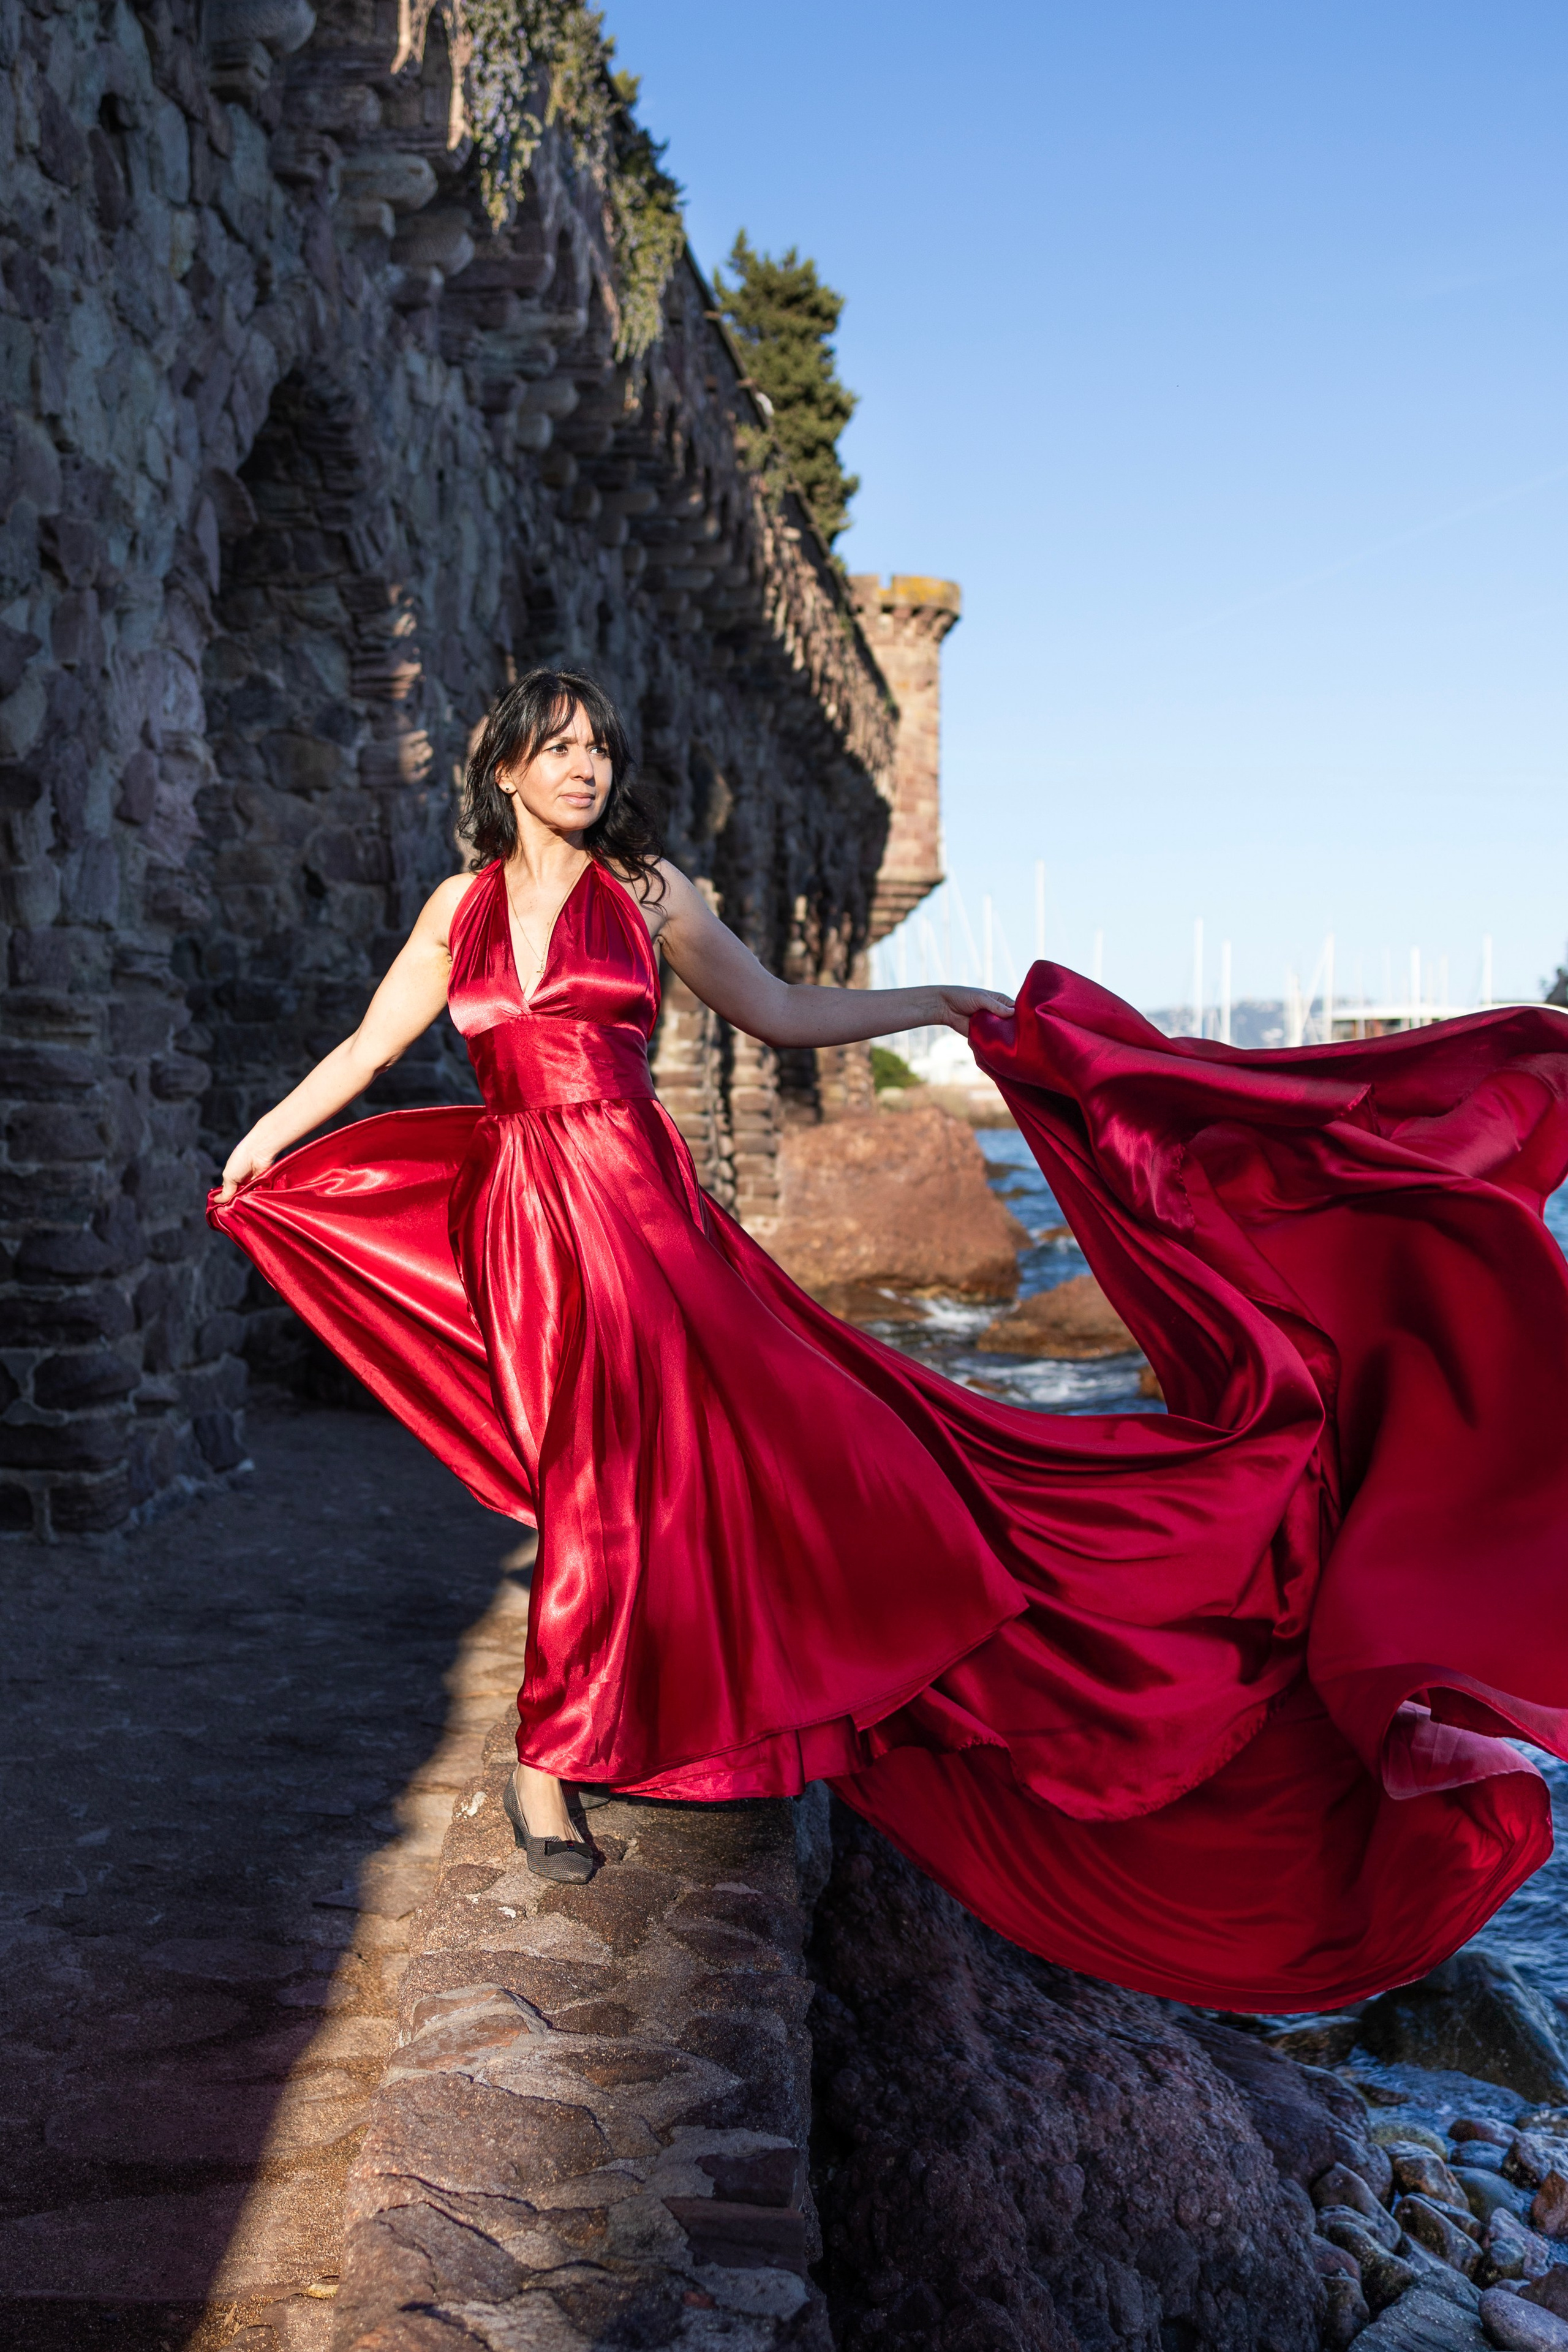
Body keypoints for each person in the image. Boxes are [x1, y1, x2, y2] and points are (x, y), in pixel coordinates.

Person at [213, 668, 1568, 2007]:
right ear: (502, 768)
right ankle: (569, 1752)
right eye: (557, 750)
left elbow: (783, 1013)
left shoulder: (651, 895)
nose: (585, 771)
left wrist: (933, 1005)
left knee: (788, 1460)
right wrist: (260, 1150)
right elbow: (367, 1052)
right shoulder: (458, 911)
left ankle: (606, 1738)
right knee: (589, 1475)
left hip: (651, 1222)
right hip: (529, 1220)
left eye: (599, 752)